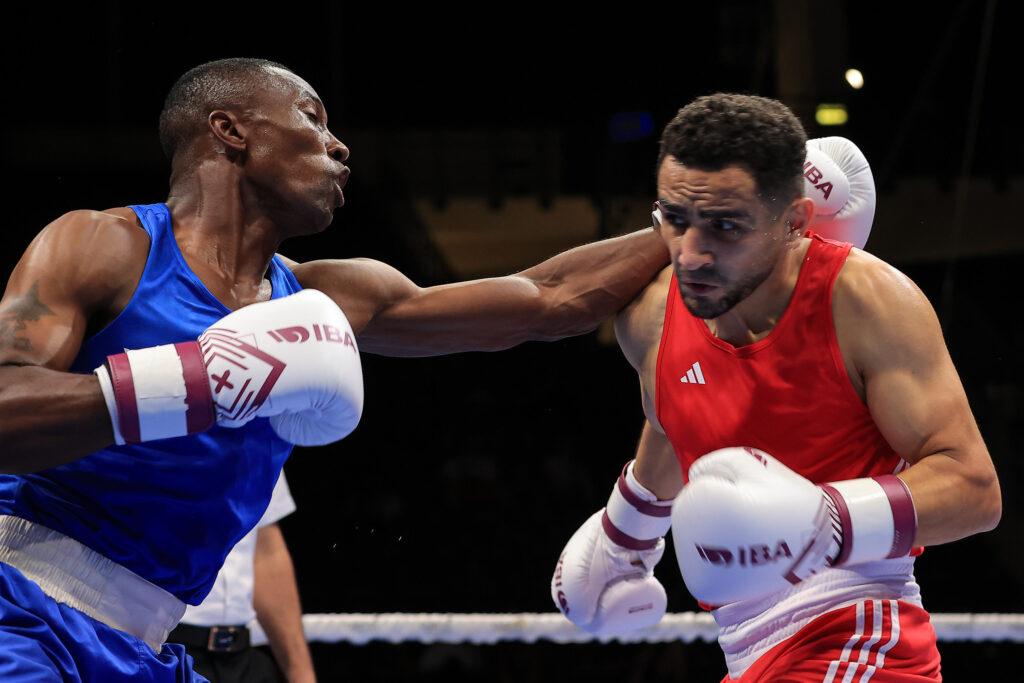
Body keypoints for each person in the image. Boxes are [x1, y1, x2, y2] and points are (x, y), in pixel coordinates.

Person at [0, 57, 670, 682]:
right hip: (20, 606)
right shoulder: (106, 246)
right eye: (312, 117)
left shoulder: (326, 302)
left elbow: (545, 299)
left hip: (144, 644)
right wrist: (197, 379)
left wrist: (691, 224)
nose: (340, 146)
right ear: (230, 130)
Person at [551, 94, 1001, 681]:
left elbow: (974, 488)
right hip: (746, 653)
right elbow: (676, 419)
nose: (693, 253)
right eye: (677, 220)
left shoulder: (864, 299)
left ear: (794, 222)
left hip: (858, 639)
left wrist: (828, 521)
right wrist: (624, 536)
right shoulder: (655, 314)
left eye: (725, 226)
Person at [170, 474, 314, 683]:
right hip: (165, 646)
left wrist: (301, 674)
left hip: (243, 658)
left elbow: (266, 551)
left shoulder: (264, 452)